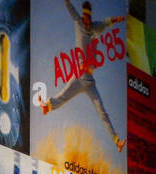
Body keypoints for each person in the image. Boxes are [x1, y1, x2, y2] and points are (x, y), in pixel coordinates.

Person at [39, 1, 127, 153]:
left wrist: (117, 19)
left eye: (88, 20)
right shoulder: (78, 22)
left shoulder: (94, 27)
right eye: (85, 19)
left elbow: (106, 22)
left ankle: (117, 141)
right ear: (83, 17)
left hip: (90, 82)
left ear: (90, 19)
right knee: (64, 95)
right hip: (78, 77)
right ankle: (47, 106)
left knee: (102, 111)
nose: (86, 23)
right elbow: (70, 8)